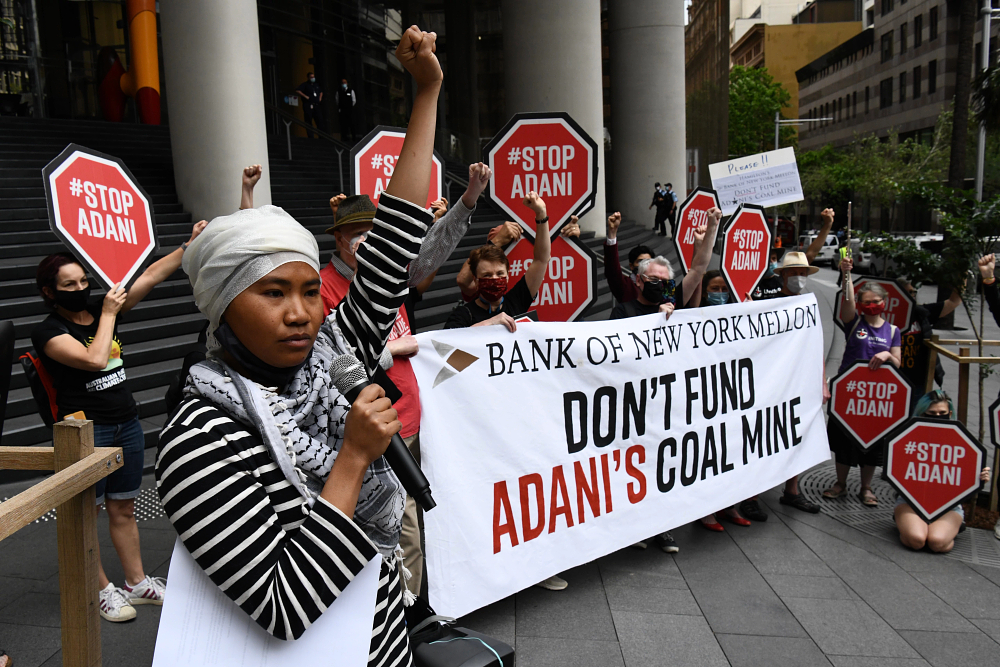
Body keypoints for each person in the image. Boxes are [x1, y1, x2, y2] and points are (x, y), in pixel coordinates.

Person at [155, 26, 441, 663]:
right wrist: (351, 462)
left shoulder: (331, 358)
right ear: (222, 307)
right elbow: (283, 604)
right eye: (272, 294)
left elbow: (394, 237)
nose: (300, 315)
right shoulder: (198, 438)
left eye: (311, 291)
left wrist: (425, 94)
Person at [320, 163, 491, 598]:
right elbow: (327, 356)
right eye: (358, 231)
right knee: (402, 526)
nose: (367, 239)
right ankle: (406, 617)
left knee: (413, 515)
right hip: (368, 426)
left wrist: (468, 202)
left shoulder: (388, 276)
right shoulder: (323, 289)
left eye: (372, 230)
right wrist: (390, 349)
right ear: (340, 238)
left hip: (410, 417)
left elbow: (431, 252)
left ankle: (407, 607)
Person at [31, 220, 207, 621]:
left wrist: (189, 245)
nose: (80, 291)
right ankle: (101, 591)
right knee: (85, 515)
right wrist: (108, 310)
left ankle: (136, 581)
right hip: (85, 432)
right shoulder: (47, 333)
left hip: (124, 422)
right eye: (69, 285)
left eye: (82, 282)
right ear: (48, 292)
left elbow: (149, 276)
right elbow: (94, 360)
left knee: (123, 507)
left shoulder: (99, 309)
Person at [750, 250, 826, 516]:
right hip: (771, 380)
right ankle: (752, 494)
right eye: (793, 273)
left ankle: (791, 490)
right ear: (782, 275)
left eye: (803, 273)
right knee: (762, 434)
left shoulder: (808, 304)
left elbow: (815, 344)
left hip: (799, 379)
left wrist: (822, 381)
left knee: (797, 432)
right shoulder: (769, 303)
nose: (799, 277)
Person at [822, 258, 902, 506]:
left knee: (873, 443)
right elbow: (848, 304)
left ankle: (866, 487)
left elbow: (898, 363)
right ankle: (840, 483)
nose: (870, 306)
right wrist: (846, 276)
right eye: (865, 302)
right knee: (843, 440)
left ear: (883, 303)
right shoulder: (854, 323)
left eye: (875, 302)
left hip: (876, 398)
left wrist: (887, 354)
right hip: (849, 393)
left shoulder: (893, 331)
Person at [895, 390, 991, 553]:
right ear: (922, 414)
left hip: (949, 506)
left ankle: (948, 528)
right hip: (910, 501)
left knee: (937, 542)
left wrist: (980, 475)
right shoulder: (907, 439)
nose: (938, 416)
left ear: (950, 414)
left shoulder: (961, 441)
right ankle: (909, 526)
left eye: (942, 413)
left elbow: (967, 471)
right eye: (932, 413)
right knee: (917, 540)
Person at [695, 271, 754, 531]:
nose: (718, 293)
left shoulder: (735, 314)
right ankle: (706, 511)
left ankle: (730, 506)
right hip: (704, 397)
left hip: (731, 395)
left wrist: (752, 315)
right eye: (713, 288)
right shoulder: (694, 315)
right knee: (709, 455)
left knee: (732, 453)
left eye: (722, 288)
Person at [445, 192, 551, 330]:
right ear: (476, 279)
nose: (495, 279)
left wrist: (541, 214)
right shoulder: (463, 315)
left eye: (500, 273)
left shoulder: (516, 301)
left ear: (507, 277)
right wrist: (490, 323)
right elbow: (445, 345)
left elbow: (541, 259)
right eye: (487, 275)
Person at [609, 206, 721, 315]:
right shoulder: (622, 312)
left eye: (664, 281)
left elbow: (698, 269)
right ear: (638, 280)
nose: (659, 285)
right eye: (653, 279)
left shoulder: (671, 302)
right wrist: (658, 318)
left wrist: (712, 227)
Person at [894, 277, 961, 397]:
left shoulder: (921, 313)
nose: (911, 295)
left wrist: (963, 275)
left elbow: (953, 302)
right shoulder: (885, 316)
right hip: (892, 378)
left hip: (918, 381)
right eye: (906, 292)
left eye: (913, 292)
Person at [604, 210, 653, 304]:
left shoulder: (661, 283)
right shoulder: (626, 287)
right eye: (640, 261)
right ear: (631, 266)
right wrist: (612, 234)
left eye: (648, 261)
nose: (645, 265)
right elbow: (612, 270)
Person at [296, 73, 325, 138]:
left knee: (319, 121)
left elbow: (321, 91)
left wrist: (320, 98)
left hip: (316, 105)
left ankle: (321, 136)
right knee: (308, 121)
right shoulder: (305, 85)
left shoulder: (316, 85)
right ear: (308, 78)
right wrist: (305, 96)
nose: (313, 78)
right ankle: (310, 136)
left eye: (313, 77)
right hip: (308, 105)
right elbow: (298, 90)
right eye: (311, 77)